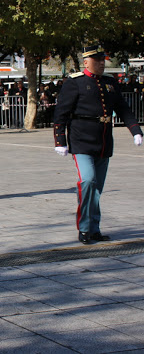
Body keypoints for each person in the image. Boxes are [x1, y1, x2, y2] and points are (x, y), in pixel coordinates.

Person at [53, 45, 143, 244]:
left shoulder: (110, 83)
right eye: (97, 60)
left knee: (96, 188)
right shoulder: (75, 83)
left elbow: (123, 108)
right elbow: (61, 113)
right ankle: (84, 228)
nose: (102, 63)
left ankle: (94, 229)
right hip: (81, 140)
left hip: (103, 141)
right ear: (86, 62)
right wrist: (60, 140)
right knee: (88, 181)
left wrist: (135, 130)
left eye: (103, 60)